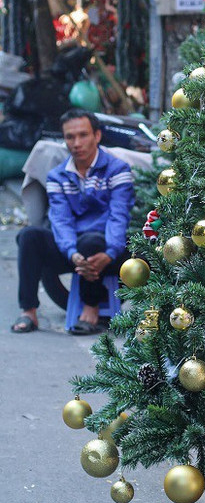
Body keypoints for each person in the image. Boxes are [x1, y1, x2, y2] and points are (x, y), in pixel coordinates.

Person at [12, 109, 135, 335]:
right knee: (28, 236)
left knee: (91, 240)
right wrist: (71, 252)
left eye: (83, 135)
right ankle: (28, 311)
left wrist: (110, 251)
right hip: (74, 253)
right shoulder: (58, 175)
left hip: (109, 250)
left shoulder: (118, 170)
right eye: (70, 137)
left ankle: (91, 308)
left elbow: (119, 216)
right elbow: (60, 220)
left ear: (97, 136)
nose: (76, 143)